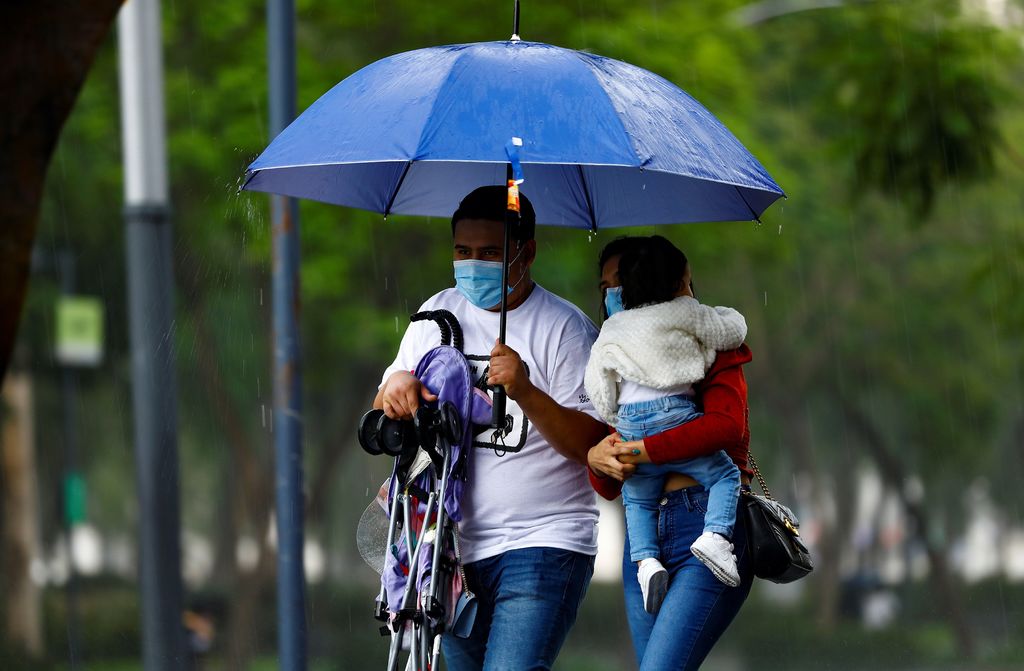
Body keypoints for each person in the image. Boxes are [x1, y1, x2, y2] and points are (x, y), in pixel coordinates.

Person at [374, 185, 608, 671]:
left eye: (489, 253)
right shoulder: (435, 315)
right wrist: (396, 386)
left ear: (527, 252)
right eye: (463, 252)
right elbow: (385, 404)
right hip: (449, 548)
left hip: (543, 542)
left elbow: (590, 444)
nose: (473, 265)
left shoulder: (566, 329)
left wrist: (525, 390)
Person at [587, 236, 755, 671]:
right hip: (645, 540)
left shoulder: (707, 342)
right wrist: (597, 460)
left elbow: (725, 426)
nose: (615, 294)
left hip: (706, 518)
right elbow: (610, 483)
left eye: (622, 281)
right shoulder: (618, 356)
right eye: (606, 286)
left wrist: (642, 450)